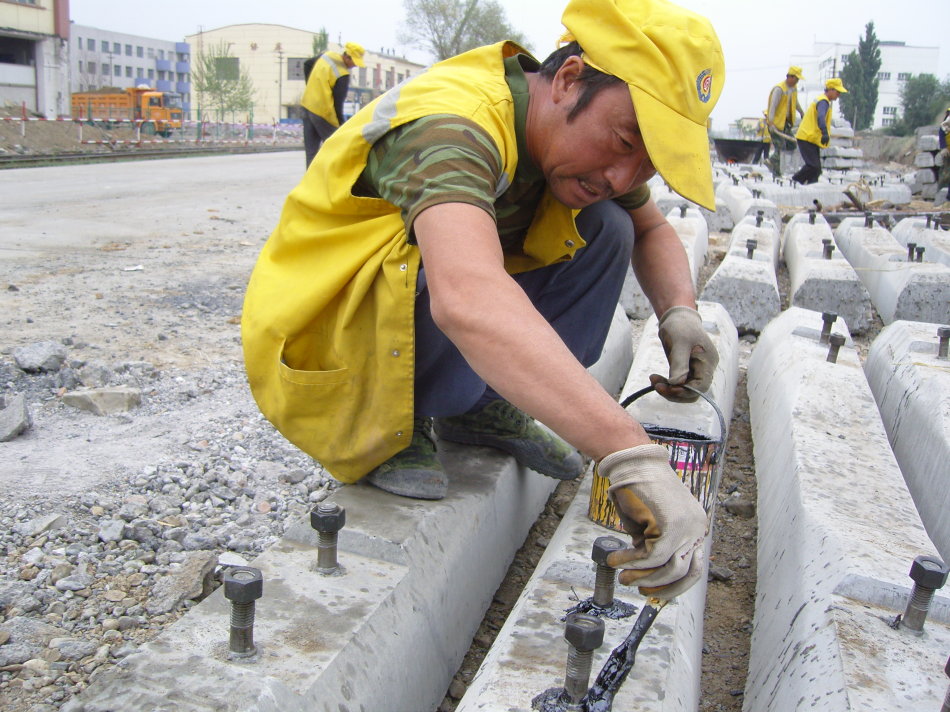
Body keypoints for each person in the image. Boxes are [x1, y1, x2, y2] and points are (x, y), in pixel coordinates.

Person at [243, 0, 724, 599]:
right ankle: (400, 418)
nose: (624, 177)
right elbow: (467, 295)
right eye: (624, 141)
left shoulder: (581, 149)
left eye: (647, 166)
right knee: (453, 258)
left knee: (611, 227)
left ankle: (480, 407)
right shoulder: (454, 124)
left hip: (416, 307)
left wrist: (679, 309)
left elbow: (651, 230)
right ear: (570, 79)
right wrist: (629, 453)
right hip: (331, 331)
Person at [301, 41, 366, 167]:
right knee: (338, 147)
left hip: (307, 105)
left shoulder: (326, 56)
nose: (354, 66)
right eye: (354, 62)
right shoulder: (342, 74)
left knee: (311, 152)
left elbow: (307, 64)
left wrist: (311, 86)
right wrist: (342, 126)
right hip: (323, 113)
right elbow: (338, 105)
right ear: (347, 57)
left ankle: (311, 184)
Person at [792, 77, 847, 185]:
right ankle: (793, 182)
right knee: (813, 166)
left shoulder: (824, 101)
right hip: (806, 137)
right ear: (830, 89)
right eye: (837, 92)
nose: (838, 95)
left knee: (816, 170)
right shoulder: (823, 102)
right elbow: (821, 117)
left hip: (810, 138)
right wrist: (824, 132)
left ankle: (810, 187)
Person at [763, 66, 804, 176]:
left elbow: (795, 102)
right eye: (796, 79)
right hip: (776, 124)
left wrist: (801, 112)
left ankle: (773, 164)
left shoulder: (793, 88)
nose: (797, 82)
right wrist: (771, 123)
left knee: (791, 144)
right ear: (790, 77)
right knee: (780, 148)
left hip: (785, 123)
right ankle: (775, 169)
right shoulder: (779, 89)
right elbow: (773, 107)